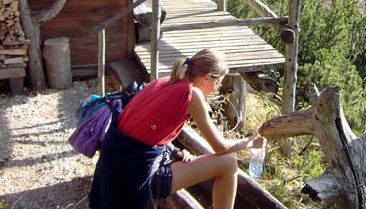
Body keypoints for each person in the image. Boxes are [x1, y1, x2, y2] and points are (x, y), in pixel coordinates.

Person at [88, 48, 264, 209]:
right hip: (135, 177)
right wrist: (248, 143)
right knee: (229, 164)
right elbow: (220, 147)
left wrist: (174, 152)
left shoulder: (164, 82)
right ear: (207, 77)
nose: (216, 89)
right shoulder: (191, 94)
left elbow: (146, 130)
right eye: (218, 83)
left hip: (110, 170)